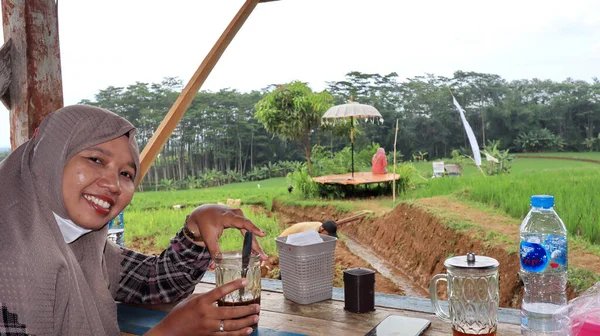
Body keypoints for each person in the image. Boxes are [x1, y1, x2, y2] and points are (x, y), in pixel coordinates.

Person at [0, 105, 267, 336]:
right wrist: (169, 332)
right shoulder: (11, 262)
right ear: (49, 158)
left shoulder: (83, 244)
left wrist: (196, 227)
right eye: (95, 159)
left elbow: (153, 282)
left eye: (126, 173)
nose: (113, 185)